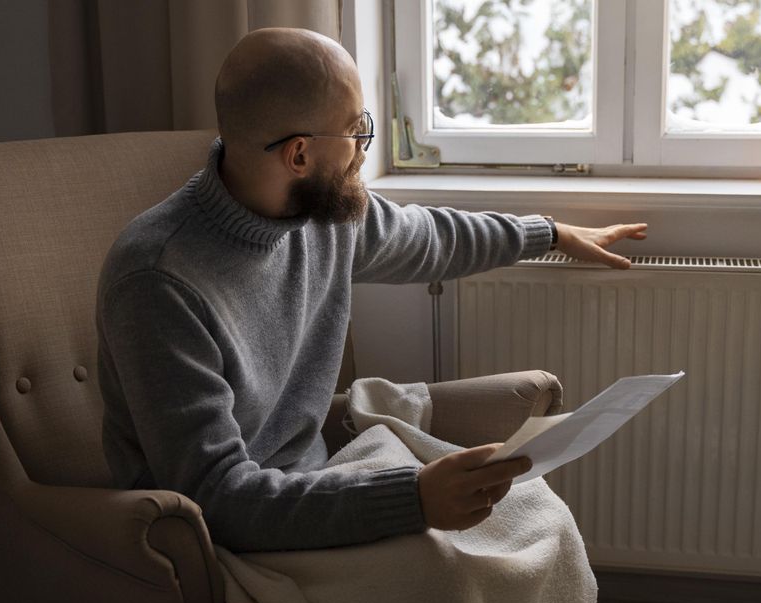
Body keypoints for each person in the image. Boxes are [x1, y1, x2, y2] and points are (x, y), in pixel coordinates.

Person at [96, 27, 648, 554]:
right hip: (222, 540)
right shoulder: (158, 282)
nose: (364, 148)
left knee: (536, 523)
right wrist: (410, 499)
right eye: (357, 129)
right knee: (458, 573)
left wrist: (548, 232)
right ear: (300, 155)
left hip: (316, 482)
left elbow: (433, 237)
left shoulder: (320, 215)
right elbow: (215, 497)